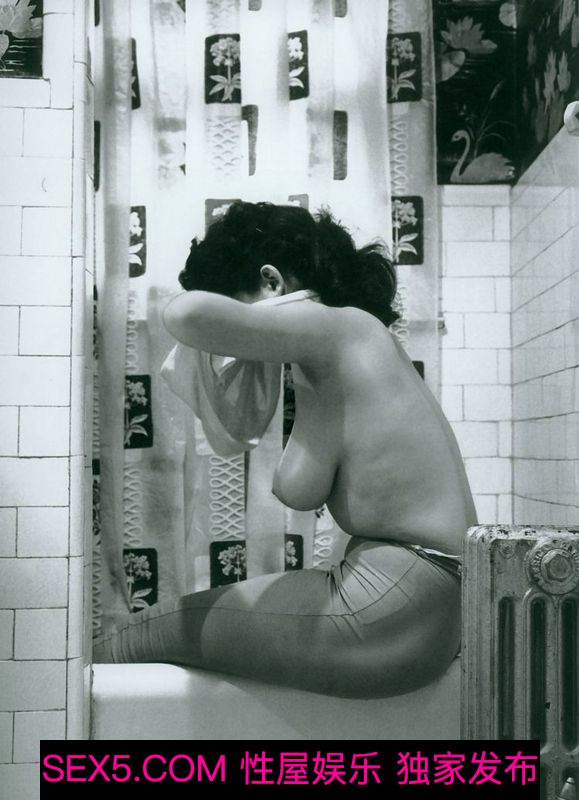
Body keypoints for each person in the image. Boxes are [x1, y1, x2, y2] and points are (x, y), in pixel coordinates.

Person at [93, 201, 477, 698]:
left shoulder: (338, 327)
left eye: (240, 312)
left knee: (134, 637)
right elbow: (301, 486)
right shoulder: (355, 339)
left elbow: (183, 312)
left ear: (272, 282)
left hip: (397, 598)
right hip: (433, 605)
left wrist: (249, 338)